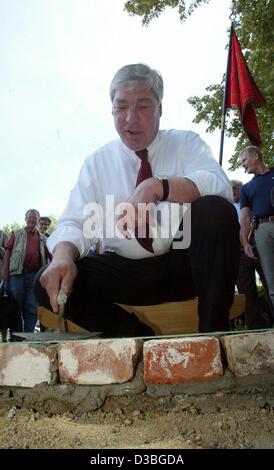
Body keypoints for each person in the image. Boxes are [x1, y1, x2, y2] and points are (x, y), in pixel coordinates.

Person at [34, 63, 240, 337]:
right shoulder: (97, 163)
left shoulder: (186, 143)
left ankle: (212, 338)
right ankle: (136, 336)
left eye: (143, 106)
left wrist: (158, 187)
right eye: (121, 107)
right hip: (126, 272)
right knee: (47, 278)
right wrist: (61, 256)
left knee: (215, 209)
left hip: (184, 266)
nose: (130, 119)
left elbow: (220, 185)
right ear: (112, 110)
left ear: (160, 109)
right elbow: (74, 222)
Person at [231, 179, 271, 329]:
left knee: (269, 283)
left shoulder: (250, 205)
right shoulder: (228, 208)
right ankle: (256, 327)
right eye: (230, 189)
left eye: (235, 188)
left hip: (258, 247)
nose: (232, 191)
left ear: (241, 190)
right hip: (239, 254)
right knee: (245, 291)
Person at [239, 146, 274, 320]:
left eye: (244, 160)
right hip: (262, 231)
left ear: (256, 156)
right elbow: (244, 218)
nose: (242, 165)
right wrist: (245, 242)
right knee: (271, 281)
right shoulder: (246, 188)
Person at [2, 209, 51, 332]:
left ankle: (29, 335)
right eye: (29, 217)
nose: (31, 219)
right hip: (17, 276)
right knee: (15, 307)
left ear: (37, 220)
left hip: (35, 277)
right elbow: (7, 252)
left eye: (34, 217)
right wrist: (5, 275)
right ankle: (16, 335)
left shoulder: (44, 239)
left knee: (32, 307)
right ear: (25, 219)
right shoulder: (16, 234)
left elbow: (50, 256)